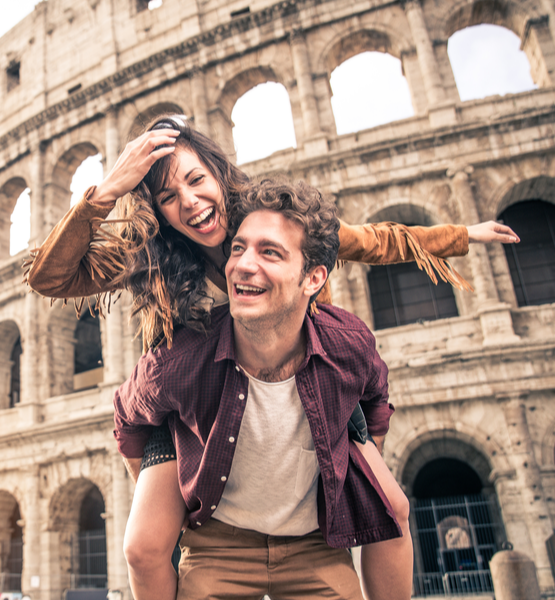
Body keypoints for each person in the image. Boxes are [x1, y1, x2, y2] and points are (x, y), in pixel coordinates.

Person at [26, 115, 520, 599]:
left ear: (218, 171)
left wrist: (463, 235)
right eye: (168, 198)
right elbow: (51, 278)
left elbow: (372, 239)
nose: (191, 204)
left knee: (392, 505)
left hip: (308, 377)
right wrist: (108, 190)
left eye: (196, 180)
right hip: (196, 402)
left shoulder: (273, 221)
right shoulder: (154, 252)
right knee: (143, 543)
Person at [115, 178, 400, 598]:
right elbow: (128, 417)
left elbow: (376, 400)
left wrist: (357, 457)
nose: (243, 264)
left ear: (313, 278)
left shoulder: (348, 344)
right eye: (237, 248)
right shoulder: (179, 359)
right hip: (218, 544)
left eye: (269, 252)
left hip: (313, 545)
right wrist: (162, 485)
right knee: (140, 547)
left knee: (396, 508)